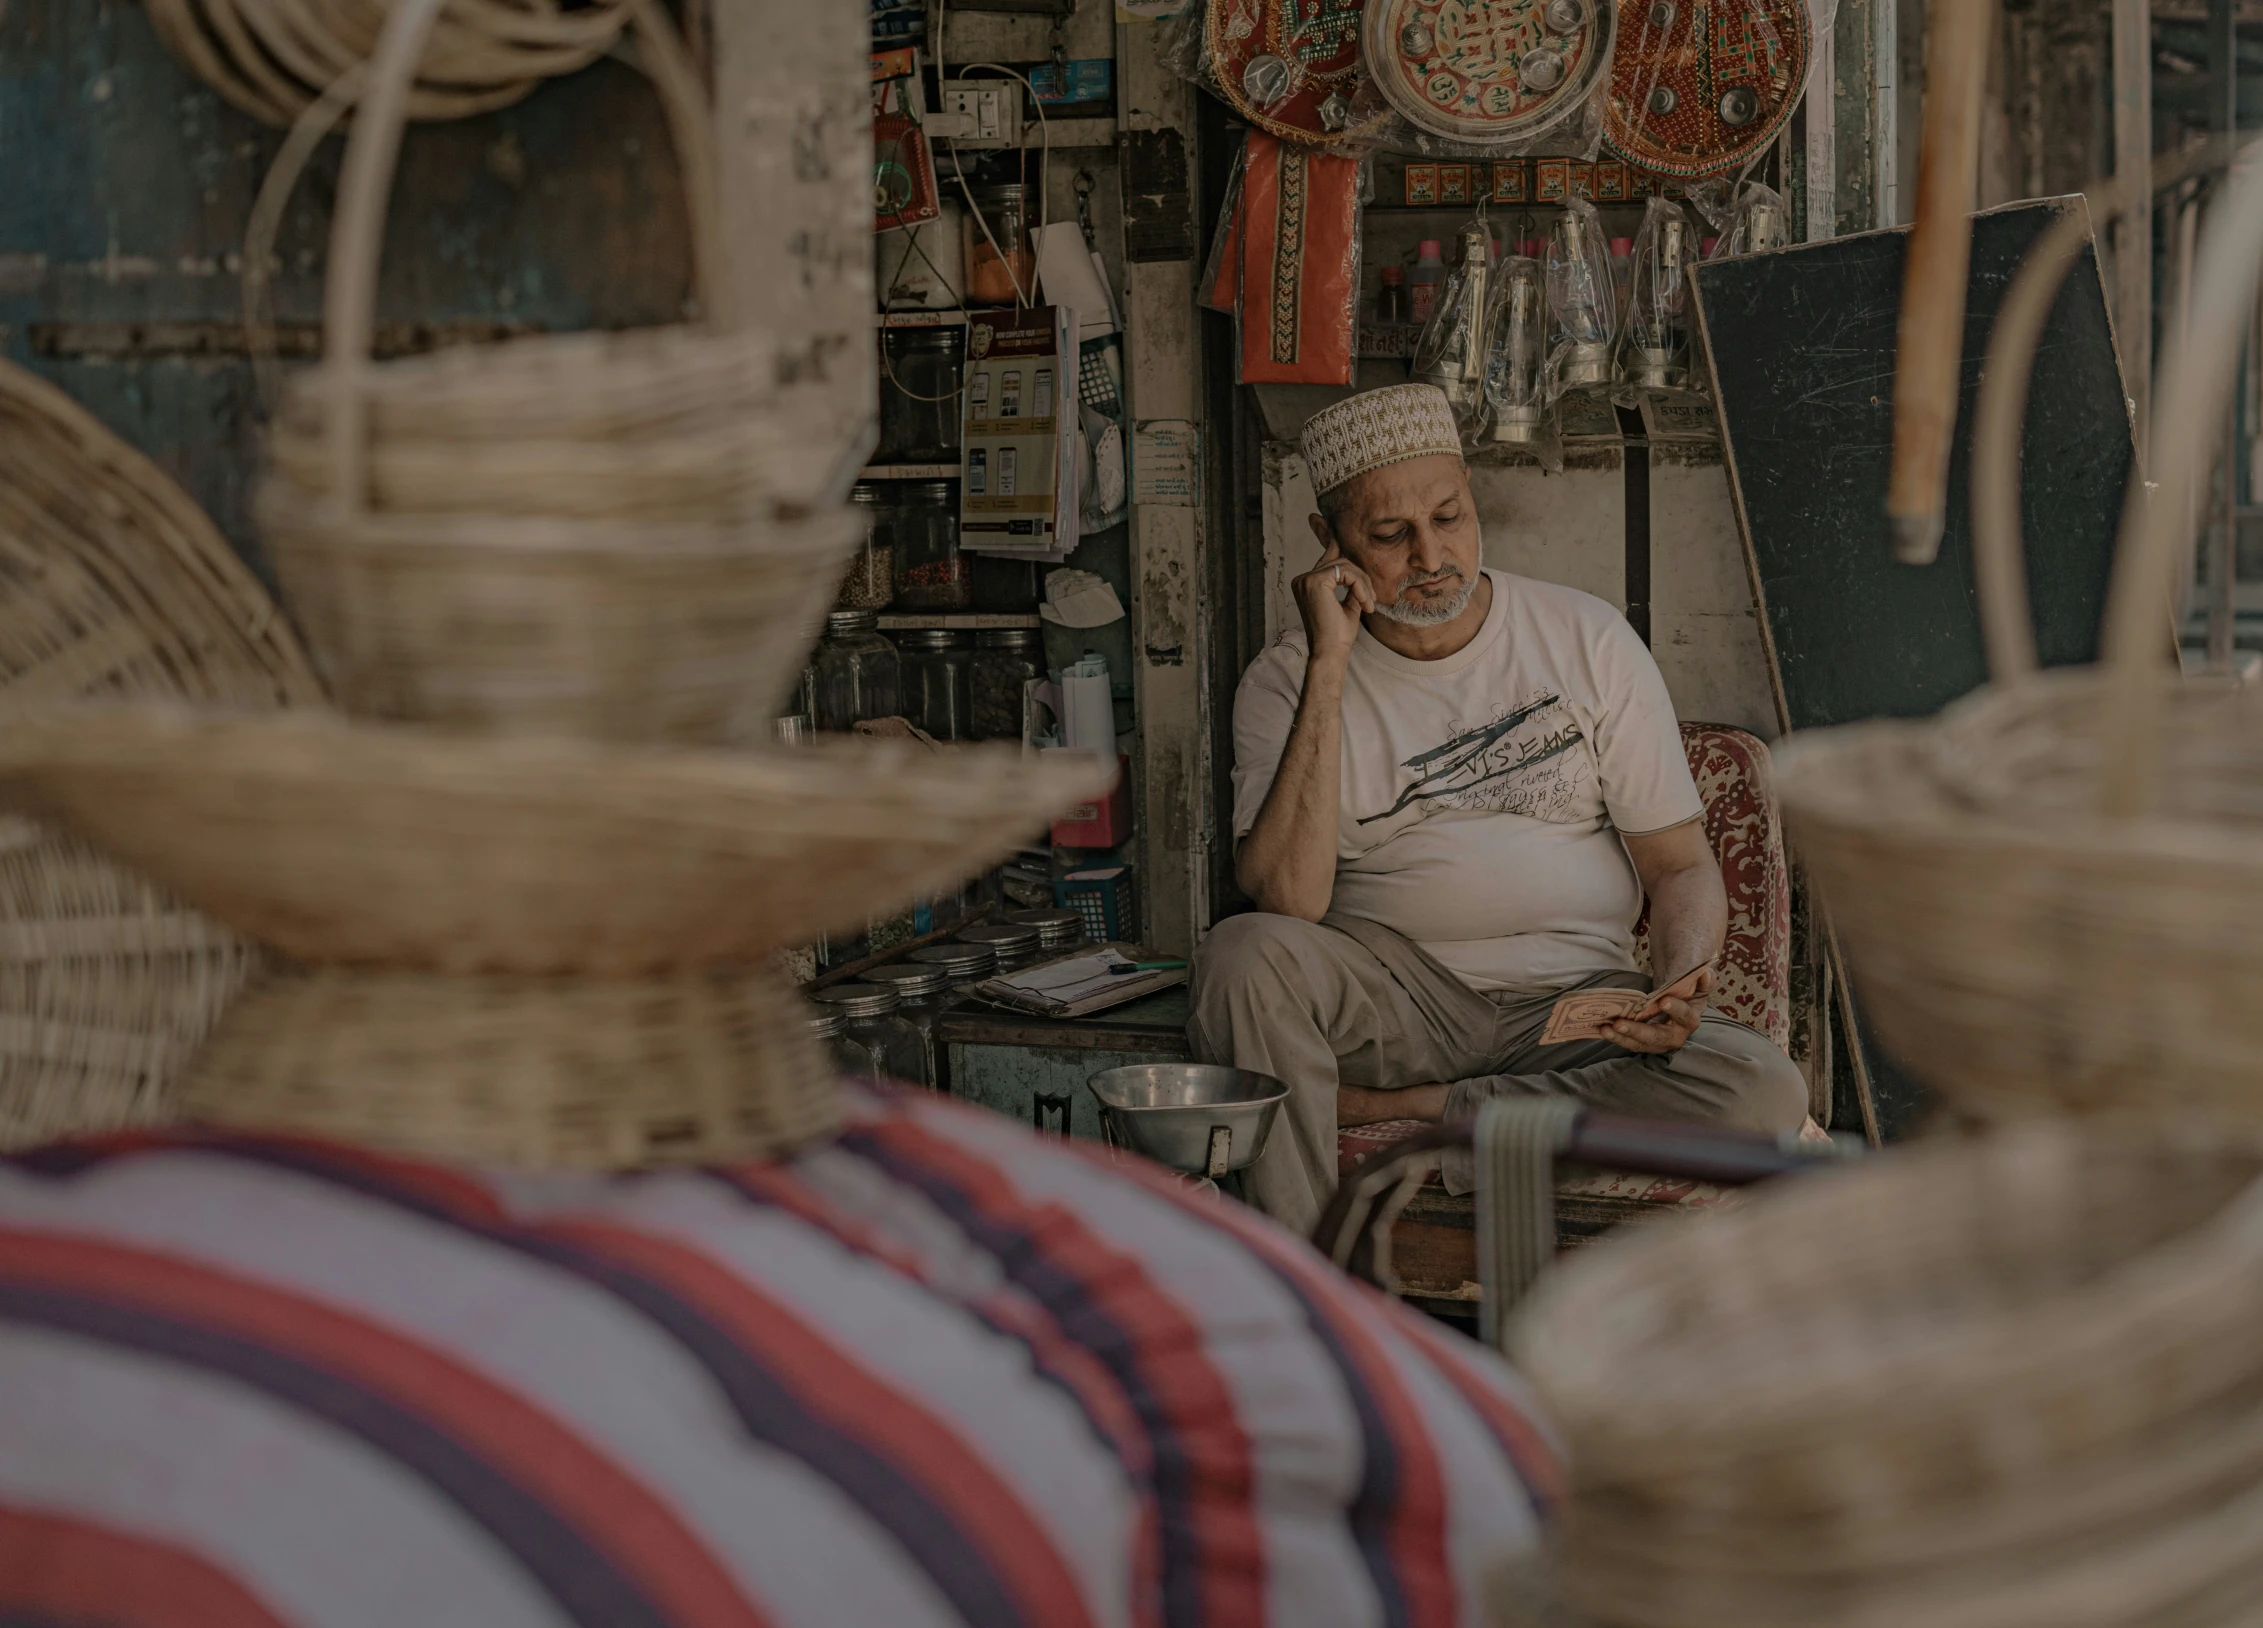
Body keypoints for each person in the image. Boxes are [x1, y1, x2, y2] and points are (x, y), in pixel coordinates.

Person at [1190, 383, 1807, 1234]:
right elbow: (1289, 902)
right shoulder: (1283, 680)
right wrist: (1330, 663)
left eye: (1449, 517)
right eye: (1388, 535)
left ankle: (1415, 1106)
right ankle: (1309, 1287)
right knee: (1241, 955)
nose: (1431, 553)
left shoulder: (1585, 637)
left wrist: (1676, 982)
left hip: (1575, 1005)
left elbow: (1679, 864)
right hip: (1396, 998)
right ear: (1327, 544)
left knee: (1759, 1088)